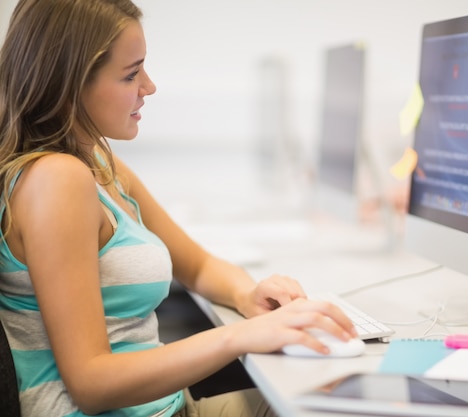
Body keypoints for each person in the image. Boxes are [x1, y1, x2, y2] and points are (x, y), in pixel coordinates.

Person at [0, 1, 358, 416]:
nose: (148, 87)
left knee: (330, 399)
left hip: (164, 407)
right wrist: (240, 337)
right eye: (131, 74)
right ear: (70, 83)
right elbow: (91, 383)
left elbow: (199, 266)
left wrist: (249, 295)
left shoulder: (100, 166)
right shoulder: (55, 181)